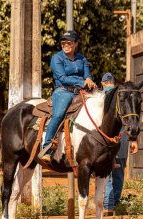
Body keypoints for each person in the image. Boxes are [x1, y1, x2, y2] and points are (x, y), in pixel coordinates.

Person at [41, 30, 97, 162]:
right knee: (58, 115)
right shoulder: (57, 58)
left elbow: (87, 74)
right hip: (63, 91)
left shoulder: (82, 58)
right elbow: (62, 78)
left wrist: (89, 80)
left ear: (76, 44)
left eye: (69, 42)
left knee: (99, 106)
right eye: (63, 43)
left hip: (81, 91)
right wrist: (82, 82)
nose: (66, 45)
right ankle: (46, 148)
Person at [100, 72, 139, 215]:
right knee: (119, 172)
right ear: (115, 84)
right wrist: (133, 139)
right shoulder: (123, 96)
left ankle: (107, 205)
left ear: (103, 83)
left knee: (106, 173)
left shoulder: (100, 96)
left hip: (106, 140)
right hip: (122, 139)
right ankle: (115, 204)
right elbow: (130, 120)